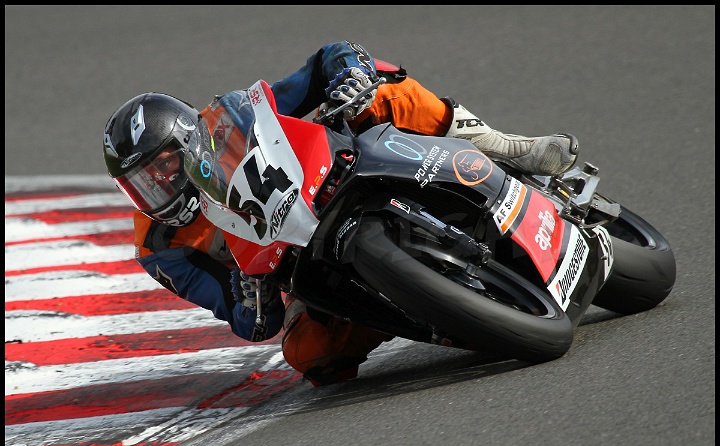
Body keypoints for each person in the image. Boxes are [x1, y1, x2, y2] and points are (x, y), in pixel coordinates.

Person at [102, 40, 579, 387]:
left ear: (188, 141)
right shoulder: (161, 247)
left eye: (162, 166)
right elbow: (247, 322)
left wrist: (350, 74)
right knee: (309, 355)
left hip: (332, 176)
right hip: (298, 263)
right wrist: (250, 297)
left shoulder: (225, 121)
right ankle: (432, 312)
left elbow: (320, 66)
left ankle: (503, 147)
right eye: (140, 183)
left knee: (384, 87)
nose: (158, 186)